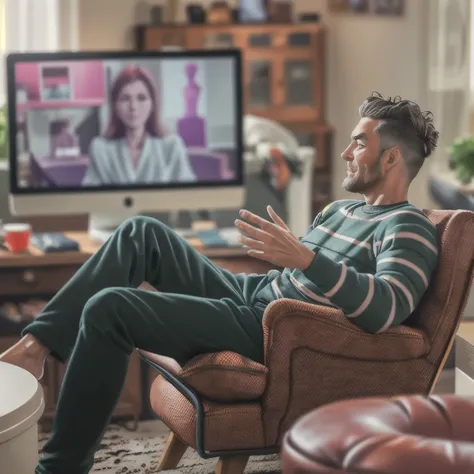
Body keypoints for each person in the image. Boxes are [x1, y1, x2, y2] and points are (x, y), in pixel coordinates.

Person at [0, 92, 440, 474]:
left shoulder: (408, 226)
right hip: (254, 295)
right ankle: (36, 348)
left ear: (391, 158)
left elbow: (387, 308)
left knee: (110, 307)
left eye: (359, 143)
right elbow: (302, 275)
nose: (345, 152)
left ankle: (58, 469)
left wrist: (305, 257)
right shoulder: (337, 212)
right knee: (141, 232)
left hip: (272, 328)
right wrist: (291, 261)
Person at [82, 65, 196, 186]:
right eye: (125, 99)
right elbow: (89, 198)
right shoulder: (100, 149)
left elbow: (189, 196)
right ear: (115, 106)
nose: (133, 107)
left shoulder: (171, 147)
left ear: (153, 104)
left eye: (141, 98)